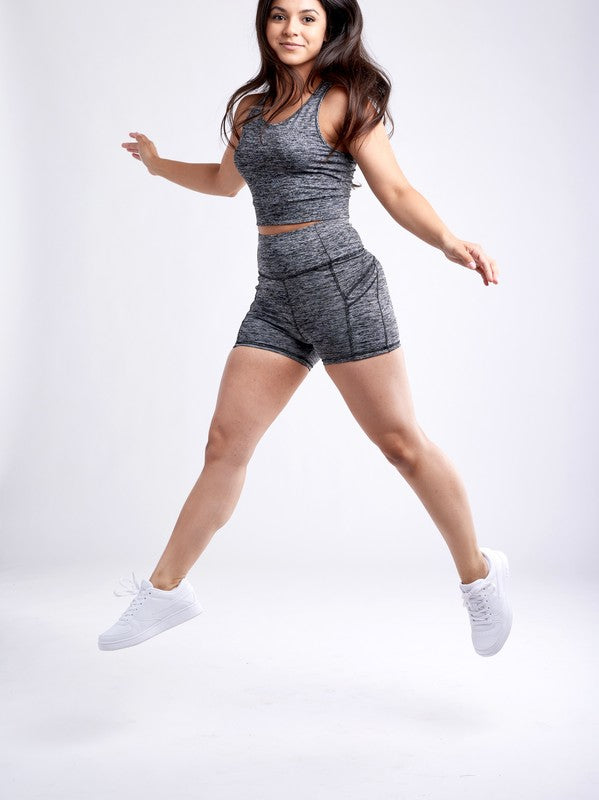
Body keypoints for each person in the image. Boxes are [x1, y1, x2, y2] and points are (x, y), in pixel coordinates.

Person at [99, 0, 512, 656]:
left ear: (329, 27)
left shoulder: (345, 101)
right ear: (264, 25)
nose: (291, 29)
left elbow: (397, 192)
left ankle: (479, 576)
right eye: (279, 16)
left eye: (307, 17)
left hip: (342, 286)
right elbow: (222, 181)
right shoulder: (250, 110)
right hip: (276, 297)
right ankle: (166, 589)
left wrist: (447, 240)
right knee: (224, 444)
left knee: (401, 444)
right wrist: (155, 163)